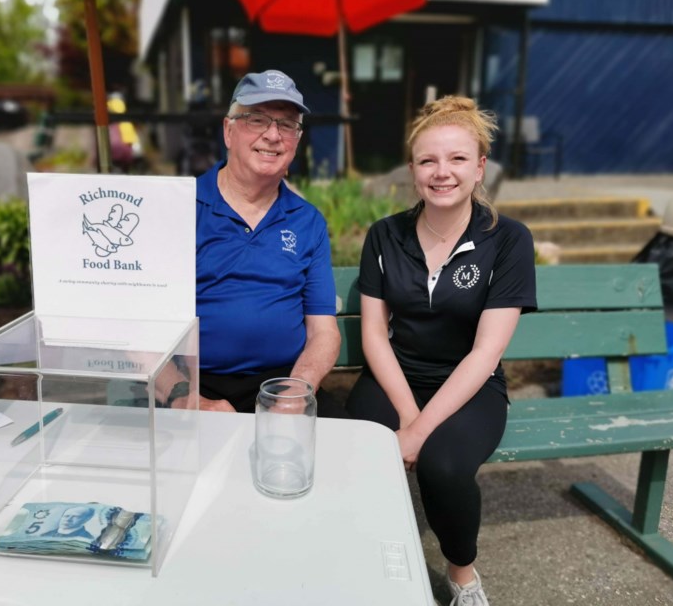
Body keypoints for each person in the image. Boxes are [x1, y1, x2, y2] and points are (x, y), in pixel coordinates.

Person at [345, 96, 537, 606]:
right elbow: (373, 335)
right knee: (359, 450)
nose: (441, 172)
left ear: (480, 168)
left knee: (442, 466)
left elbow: (485, 353)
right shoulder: (386, 235)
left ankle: (462, 573)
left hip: (470, 385)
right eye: (428, 160)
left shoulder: (508, 240)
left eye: (456, 159)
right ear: (411, 170)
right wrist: (408, 415)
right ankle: (364, 558)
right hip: (397, 378)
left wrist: (420, 432)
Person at [166, 69, 341, 414]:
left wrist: (298, 389)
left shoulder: (307, 222)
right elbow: (142, 324)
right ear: (229, 131)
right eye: (257, 119)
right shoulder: (178, 209)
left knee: (348, 459)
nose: (273, 135)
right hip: (194, 381)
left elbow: (325, 332)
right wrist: (182, 395)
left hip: (283, 380)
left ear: (297, 139)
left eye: (287, 124)